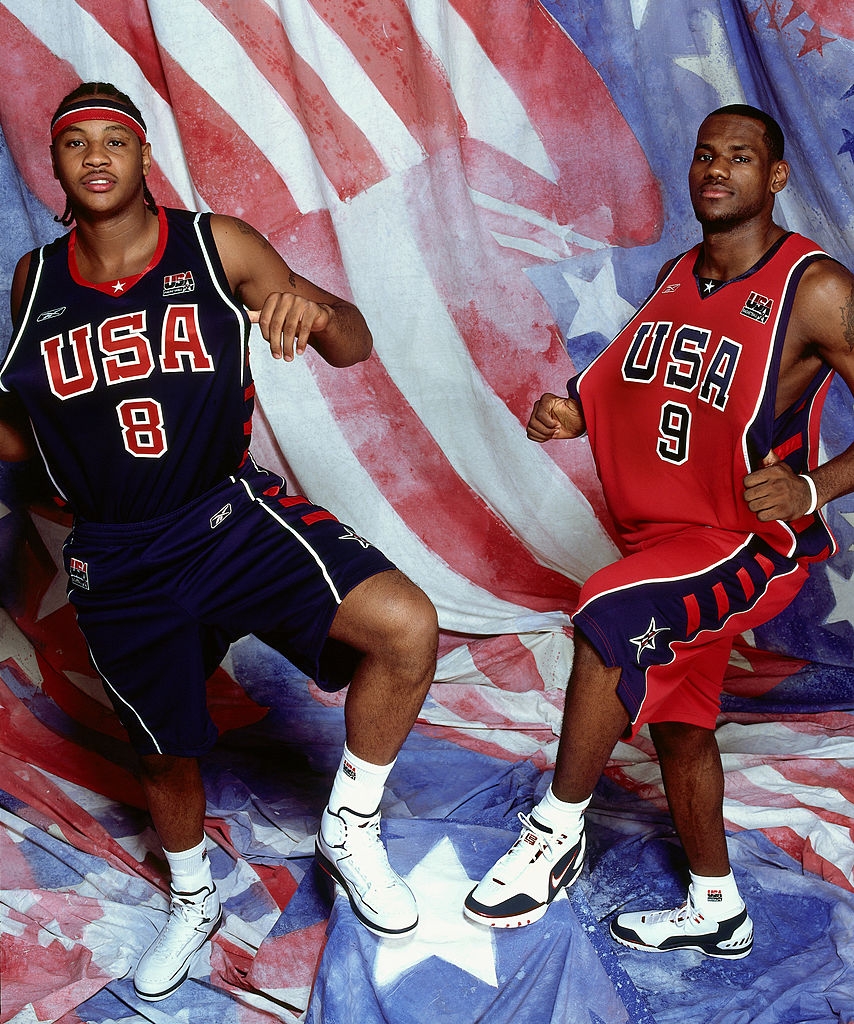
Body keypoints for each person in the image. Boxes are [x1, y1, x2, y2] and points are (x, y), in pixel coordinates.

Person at [0, 83, 438, 1001]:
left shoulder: (215, 242)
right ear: (55, 167)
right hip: (116, 552)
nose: (95, 156)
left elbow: (352, 343)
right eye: (75, 143)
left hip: (226, 519)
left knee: (405, 626)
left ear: (143, 155)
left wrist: (313, 313)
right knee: (164, 750)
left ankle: (350, 827)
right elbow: (30, 436)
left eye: (114, 139)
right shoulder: (34, 280)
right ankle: (194, 902)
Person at [464, 105, 854, 958]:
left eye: (740, 157)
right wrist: (572, 411)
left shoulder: (815, 288)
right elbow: (635, 377)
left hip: (747, 542)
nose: (717, 169)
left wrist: (812, 487)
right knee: (681, 725)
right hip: (668, 543)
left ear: (775, 177)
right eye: (706, 154)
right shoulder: (682, 273)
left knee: (610, 609)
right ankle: (717, 907)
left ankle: (555, 831)